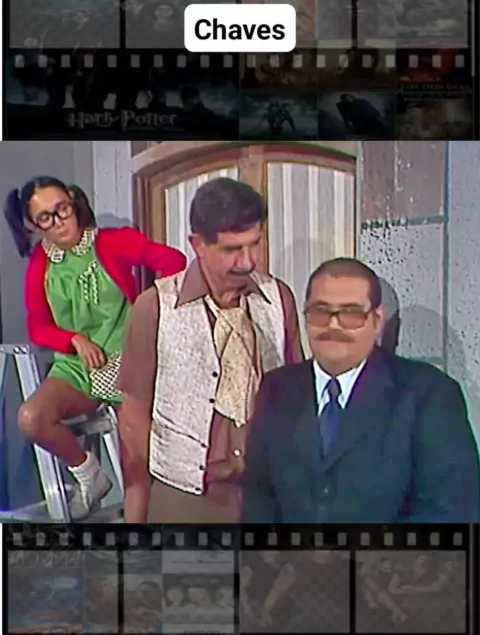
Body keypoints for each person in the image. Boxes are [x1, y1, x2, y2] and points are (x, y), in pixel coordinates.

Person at [117, 177, 303, 523]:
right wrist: (136, 516)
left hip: (265, 493)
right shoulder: (155, 307)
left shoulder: (278, 298)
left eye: (255, 244)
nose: (247, 261)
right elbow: (133, 417)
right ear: (198, 244)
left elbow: (297, 398)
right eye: (232, 249)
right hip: (185, 498)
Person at [242, 256, 480, 523]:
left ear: (376, 320)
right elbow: (259, 501)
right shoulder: (276, 390)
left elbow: (449, 512)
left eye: (351, 313)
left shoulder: (429, 395)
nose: (333, 325)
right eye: (321, 311)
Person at [3, 177, 186, 520]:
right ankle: (90, 475)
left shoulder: (111, 241)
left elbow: (173, 261)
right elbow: (38, 326)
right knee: (31, 417)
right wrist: (73, 339)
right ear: (35, 226)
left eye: (62, 209)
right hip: (77, 366)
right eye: (46, 218)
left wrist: (151, 310)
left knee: (136, 461)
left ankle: (136, 536)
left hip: (127, 362)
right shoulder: (41, 263)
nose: (59, 222)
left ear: (73, 203)